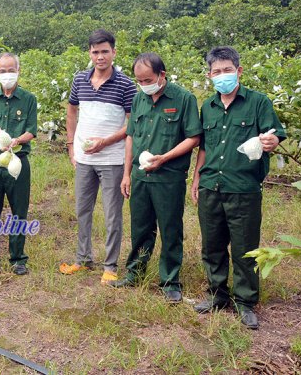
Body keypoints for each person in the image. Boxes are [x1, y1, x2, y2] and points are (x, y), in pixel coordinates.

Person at [191, 46, 285, 329]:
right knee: (212, 244)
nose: (223, 76)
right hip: (211, 185)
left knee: (245, 247)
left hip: (243, 187)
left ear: (239, 71)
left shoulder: (258, 103)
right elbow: (204, 148)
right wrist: (196, 178)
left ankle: (245, 301)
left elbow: (274, 134)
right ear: (209, 75)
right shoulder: (207, 106)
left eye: (227, 70)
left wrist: (272, 142)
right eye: (217, 72)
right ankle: (217, 294)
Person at [111, 53, 201, 302]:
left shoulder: (183, 99)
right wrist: (126, 173)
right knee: (140, 227)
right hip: (141, 177)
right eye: (139, 80)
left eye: (148, 79)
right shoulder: (139, 99)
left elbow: (193, 138)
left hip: (169, 177)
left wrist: (165, 158)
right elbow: (131, 136)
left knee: (170, 229)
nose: (144, 84)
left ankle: (170, 280)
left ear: (162, 74)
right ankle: (134, 273)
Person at [59, 29, 136, 285]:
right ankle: (83, 259)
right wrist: (71, 146)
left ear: (114, 52)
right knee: (83, 210)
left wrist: (105, 141)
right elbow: (71, 110)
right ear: (89, 53)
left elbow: (132, 124)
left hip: (112, 159)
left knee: (112, 214)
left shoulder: (125, 84)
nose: (100, 56)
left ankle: (111, 265)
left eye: (105, 51)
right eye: (95, 52)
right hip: (84, 159)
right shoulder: (80, 79)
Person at [0, 52, 37, 275]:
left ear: (18, 71)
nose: (7, 75)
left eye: (11, 70)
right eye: (3, 71)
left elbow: (32, 130)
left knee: (19, 211)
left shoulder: (29, 99)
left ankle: (18, 259)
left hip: (17, 164)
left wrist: (18, 140)